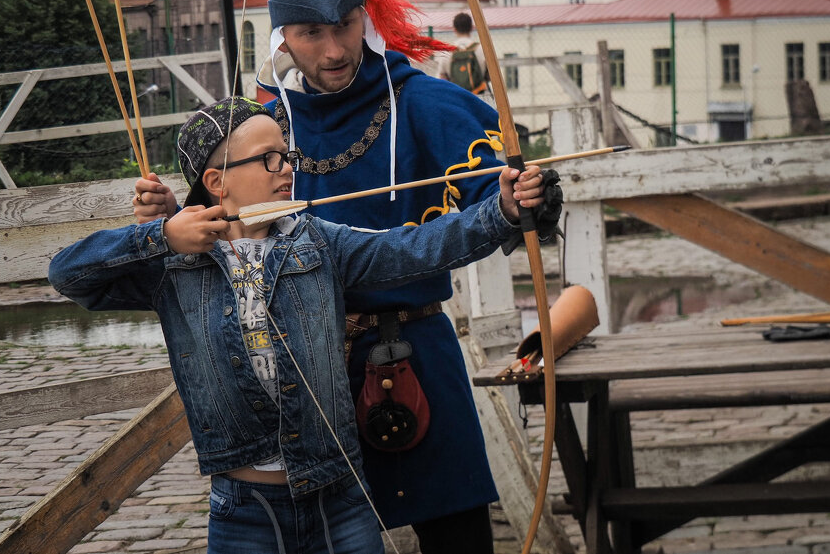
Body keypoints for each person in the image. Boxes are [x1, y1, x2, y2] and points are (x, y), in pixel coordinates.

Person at [133, 0, 561, 554]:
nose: (333, 50)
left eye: (345, 27)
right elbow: (229, 224)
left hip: (414, 354)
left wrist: (521, 200)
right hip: (309, 376)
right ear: (284, 37)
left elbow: (497, 190)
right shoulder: (270, 129)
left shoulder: (421, 104)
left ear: (366, 19)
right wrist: (170, 220)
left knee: (456, 536)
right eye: (312, 33)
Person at [52, 96, 552, 554]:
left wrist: (502, 211)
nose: (286, 167)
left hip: (339, 497)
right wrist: (158, 237)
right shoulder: (177, 264)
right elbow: (69, 275)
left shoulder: (316, 241)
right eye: (267, 159)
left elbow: (411, 250)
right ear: (217, 181)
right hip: (242, 509)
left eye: (285, 155)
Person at [437, 11, 489, 96]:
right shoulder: (482, 49)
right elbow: (489, 75)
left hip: (457, 97)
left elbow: (442, 77)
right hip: (479, 96)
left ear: (454, 29)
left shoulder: (448, 51)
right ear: (471, 27)